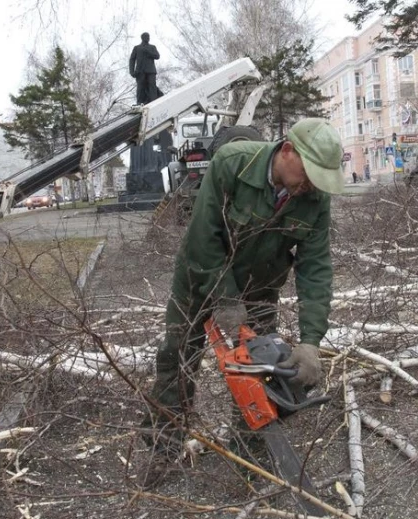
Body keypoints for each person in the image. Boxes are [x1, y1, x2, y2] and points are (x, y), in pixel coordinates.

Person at [139, 118, 345, 488]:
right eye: (308, 172)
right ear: (286, 151)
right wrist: (226, 301)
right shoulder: (233, 164)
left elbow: (316, 268)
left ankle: (251, 455)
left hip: (261, 287)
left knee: (262, 368)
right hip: (199, 278)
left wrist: (311, 340)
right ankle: (163, 450)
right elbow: (204, 237)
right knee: (177, 358)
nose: (312, 184)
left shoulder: (314, 198)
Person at [129, 32, 160, 104]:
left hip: (151, 70)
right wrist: (131, 71)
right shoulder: (137, 48)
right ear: (142, 38)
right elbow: (132, 59)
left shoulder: (152, 47)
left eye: (149, 37)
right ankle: (139, 102)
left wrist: (148, 52)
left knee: (152, 85)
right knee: (140, 87)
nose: (148, 38)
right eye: (147, 37)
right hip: (140, 71)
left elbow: (157, 56)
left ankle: (154, 102)